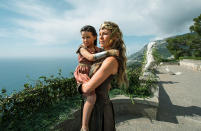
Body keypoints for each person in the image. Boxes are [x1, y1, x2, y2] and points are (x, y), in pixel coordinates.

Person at [80, 21, 128, 131]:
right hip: (95, 106)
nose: (100, 37)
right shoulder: (104, 57)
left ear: (115, 37)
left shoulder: (110, 61)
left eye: (104, 34)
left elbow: (87, 88)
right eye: (100, 34)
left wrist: (79, 84)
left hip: (100, 110)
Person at [74, 25, 119, 131]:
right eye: (83, 37)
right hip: (84, 74)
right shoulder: (82, 48)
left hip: (92, 74)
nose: (85, 40)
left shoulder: (98, 50)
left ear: (94, 37)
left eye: (88, 37)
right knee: (91, 96)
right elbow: (90, 57)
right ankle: (84, 126)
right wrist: (109, 52)